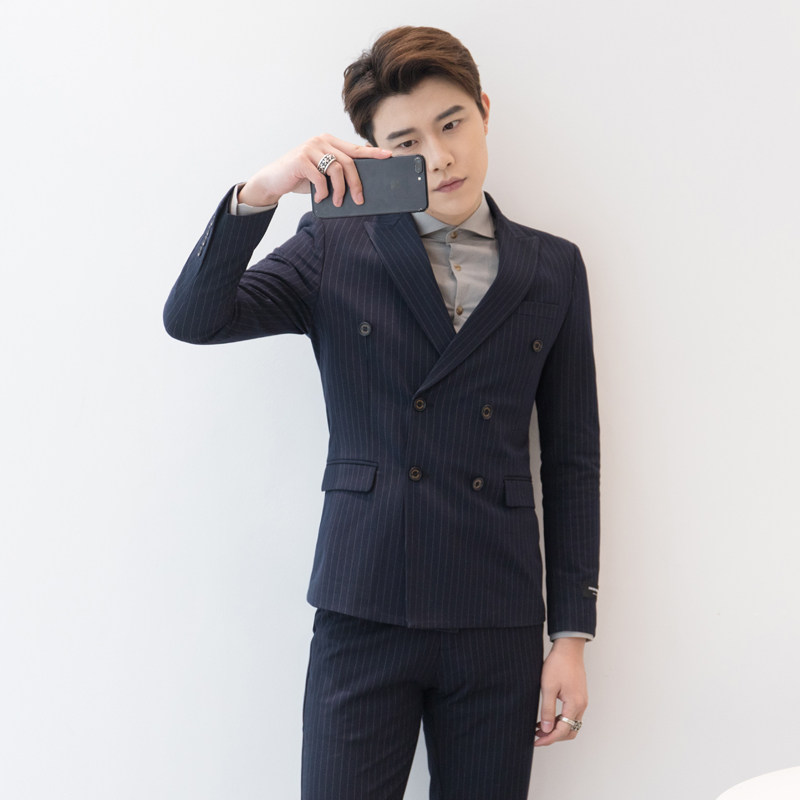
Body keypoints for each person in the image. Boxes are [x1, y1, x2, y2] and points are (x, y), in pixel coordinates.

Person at [164, 25, 600, 800]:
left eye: (452, 123)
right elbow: (196, 319)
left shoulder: (553, 267)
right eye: (407, 143)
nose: (440, 157)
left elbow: (571, 459)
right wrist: (263, 191)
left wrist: (570, 635)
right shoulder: (335, 246)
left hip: (494, 615)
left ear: (484, 110)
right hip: (364, 602)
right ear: (376, 154)